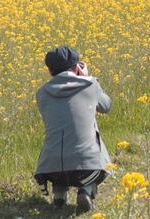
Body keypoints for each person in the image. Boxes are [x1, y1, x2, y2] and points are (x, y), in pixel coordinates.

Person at [34, 46, 111, 212]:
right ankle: (86, 190)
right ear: (77, 68)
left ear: (49, 71)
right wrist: (88, 78)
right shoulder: (90, 85)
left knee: (61, 136)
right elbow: (106, 106)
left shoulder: (41, 93)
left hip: (50, 169)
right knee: (90, 136)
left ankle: (59, 196)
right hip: (88, 168)